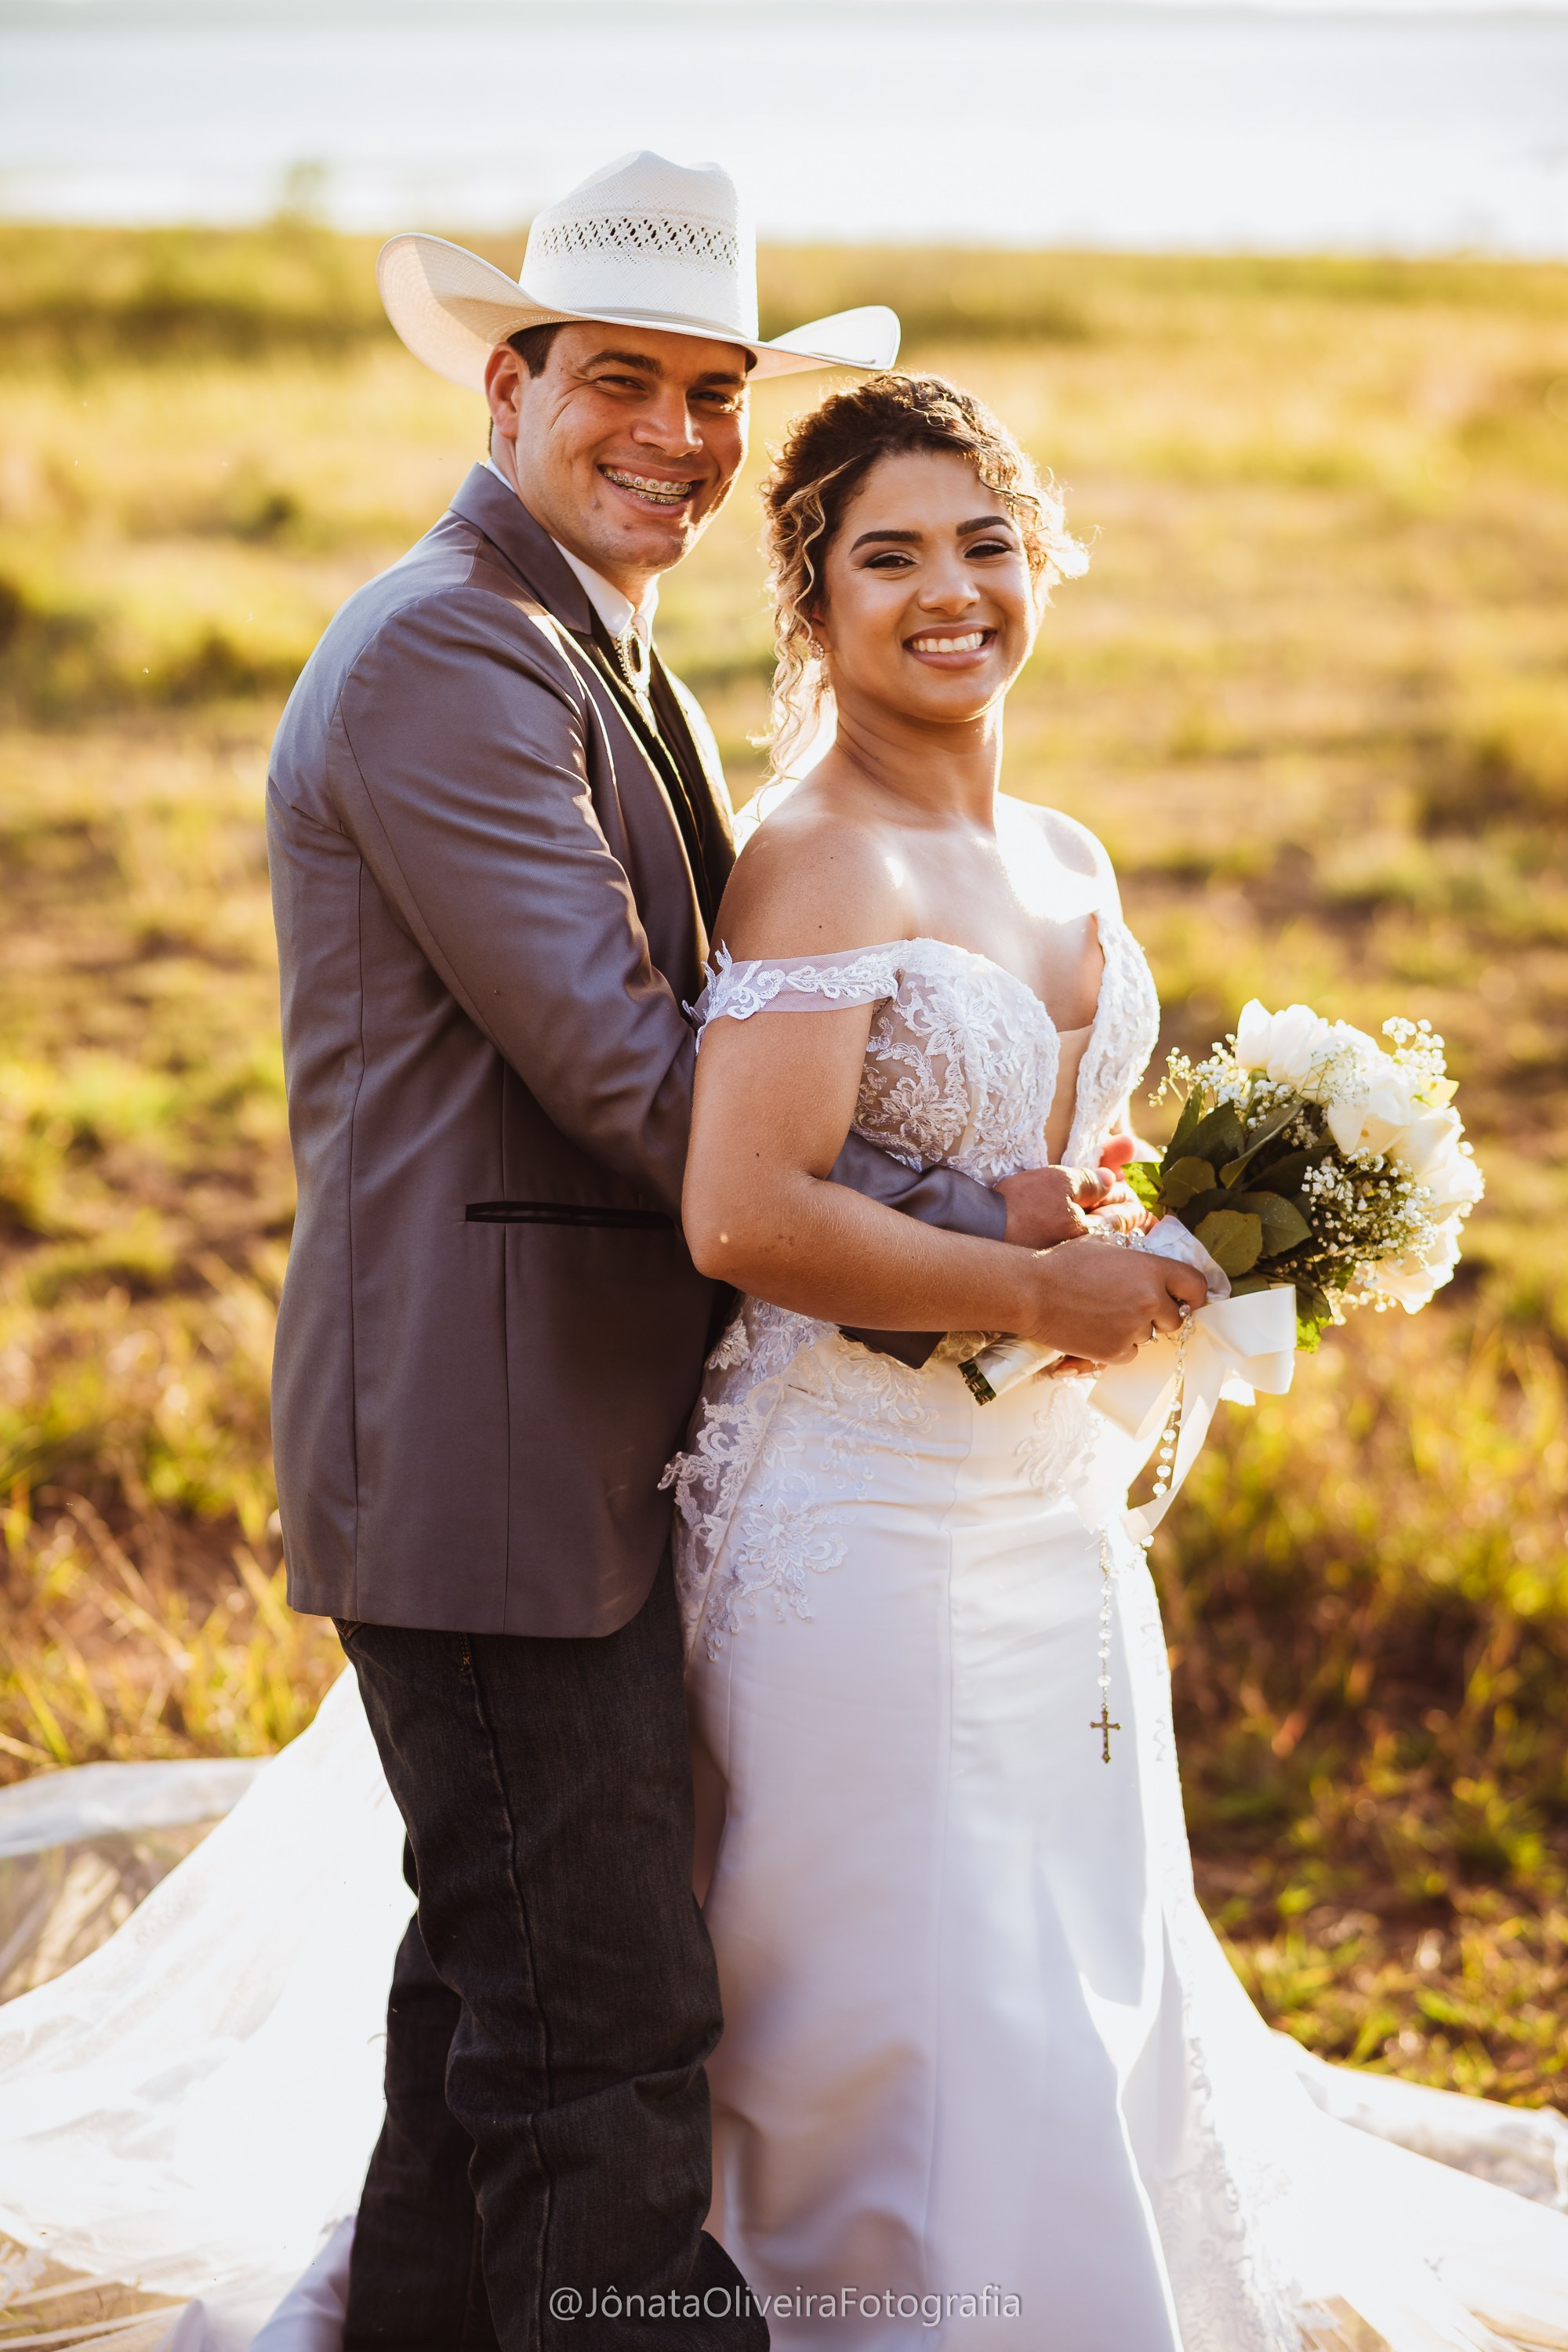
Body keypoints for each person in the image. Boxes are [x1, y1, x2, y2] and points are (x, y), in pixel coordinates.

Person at [263, 152, 1189, 2352]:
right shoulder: (447, 656)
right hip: (491, 1452)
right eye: (620, 381)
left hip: (596, 1442)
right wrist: (999, 1234)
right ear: (508, 385)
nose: (672, 434)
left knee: (496, 1991)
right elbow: (638, 1075)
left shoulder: (602, 650)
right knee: (599, 2025)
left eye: (710, 393)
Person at [662, 372, 1568, 2349]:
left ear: (1043, 559)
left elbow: (1046, 1165)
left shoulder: (1068, 853)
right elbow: (741, 1212)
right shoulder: (816, 860)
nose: (949, 591)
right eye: (887, 558)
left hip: (1045, 1510)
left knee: (1063, 1938)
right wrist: (1035, 1297)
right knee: (902, 1982)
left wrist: (1183, 1231)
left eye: (985, 542)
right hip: (856, 1515)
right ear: (809, 606)